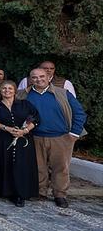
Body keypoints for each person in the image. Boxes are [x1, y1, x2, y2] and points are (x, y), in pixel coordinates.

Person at [19, 67, 86, 208]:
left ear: (49, 77)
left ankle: (60, 194)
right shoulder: (24, 95)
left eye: (42, 76)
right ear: (31, 79)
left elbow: (79, 113)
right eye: (35, 77)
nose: (39, 79)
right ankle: (40, 192)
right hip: (35, 137)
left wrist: (74, 133)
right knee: (38, 167)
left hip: (61, 137)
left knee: (61, 168)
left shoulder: (63, 94)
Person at [0, 81, 39, 207]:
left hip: (22, 140)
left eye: (10, 88)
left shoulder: (24, 104)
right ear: (0, 91)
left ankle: (19, 194)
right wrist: (7, 128)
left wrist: (24, 131)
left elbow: (36, 118)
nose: (7, 91)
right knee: (2, 164)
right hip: (2, 139)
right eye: (4, 88)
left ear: (15, 91)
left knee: (20, 166)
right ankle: (1, 191)